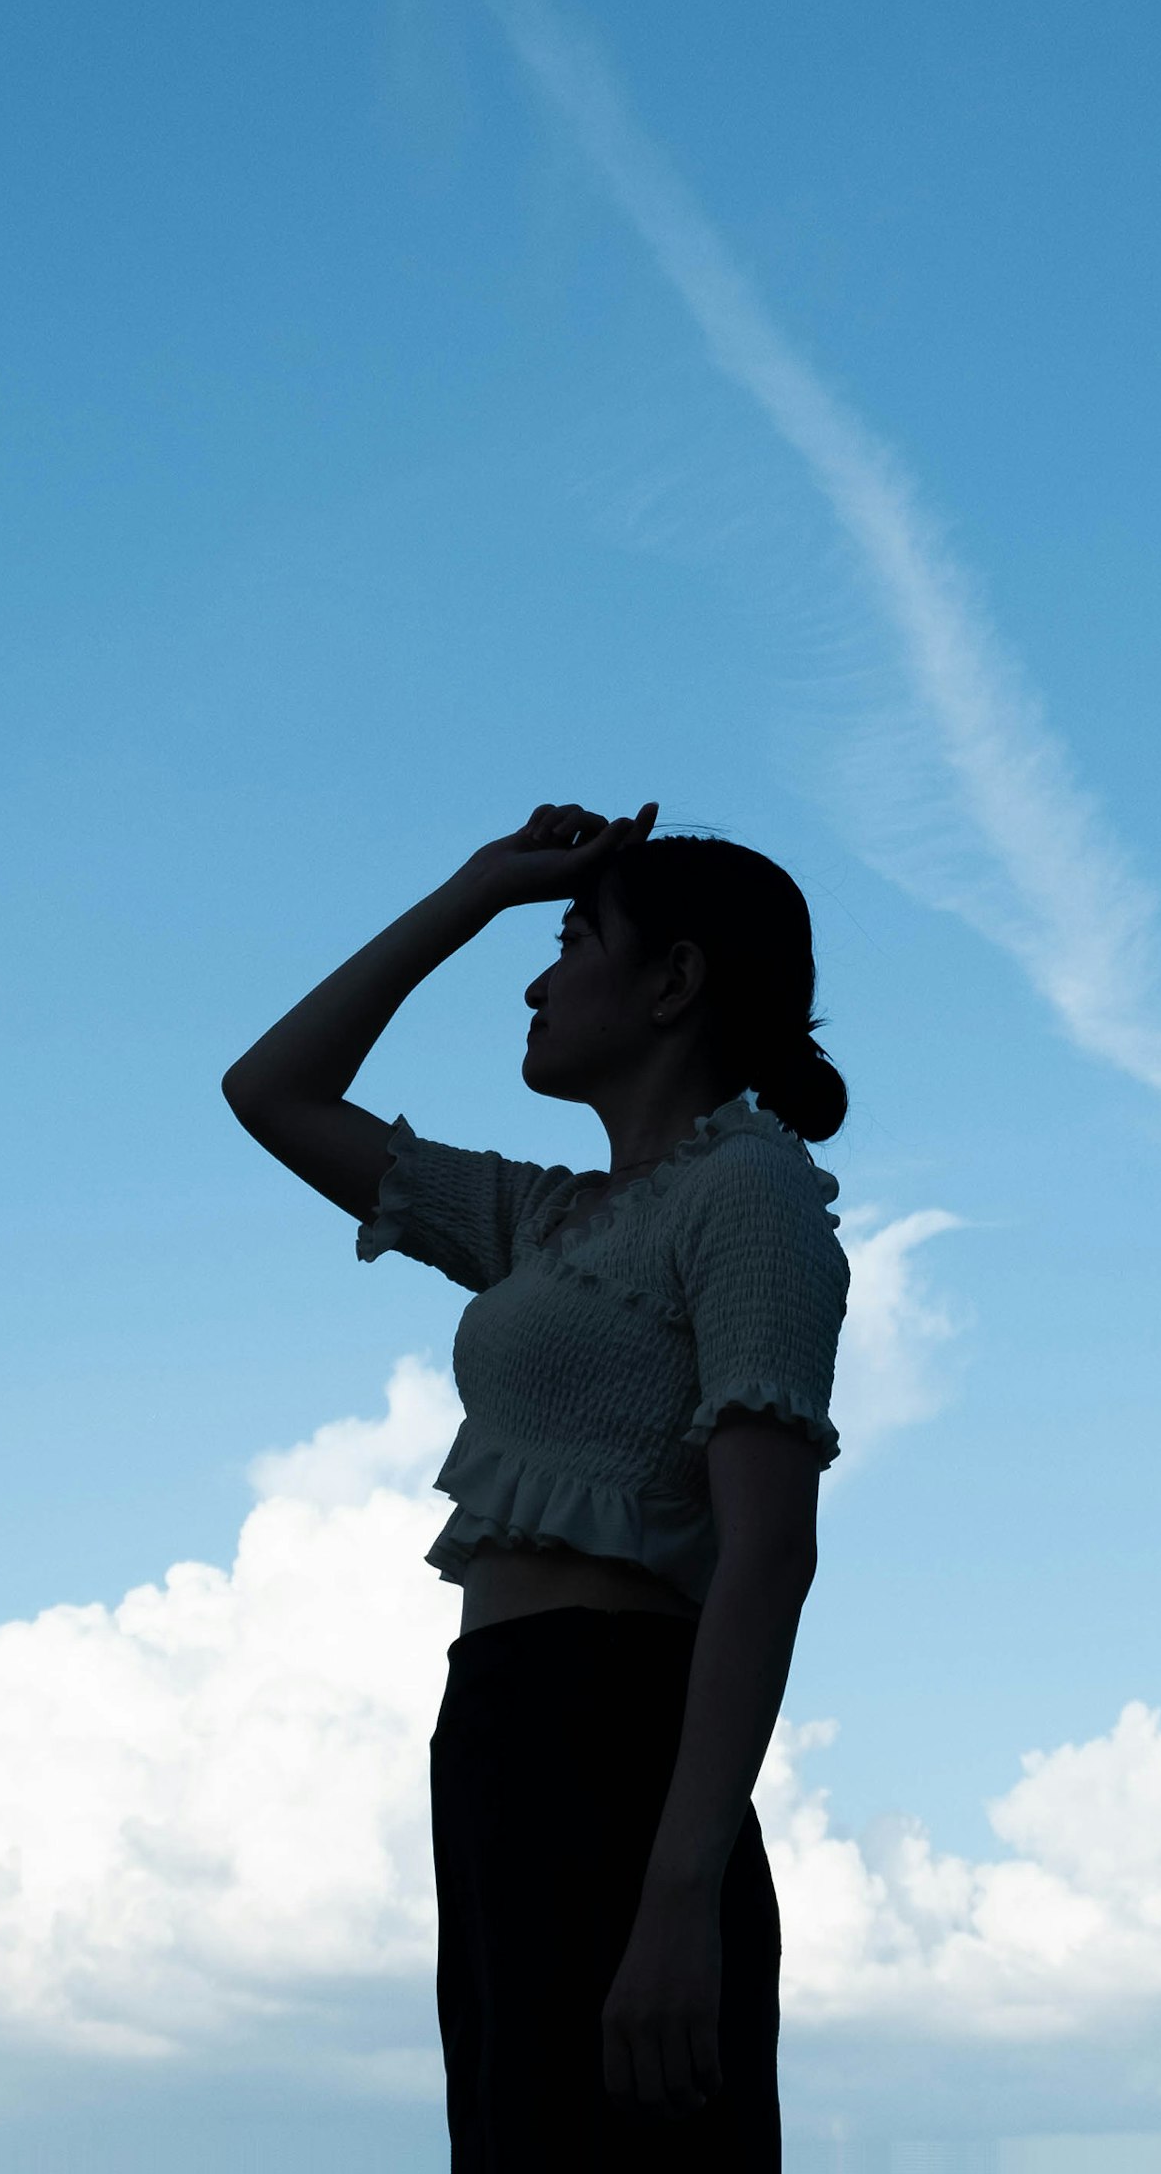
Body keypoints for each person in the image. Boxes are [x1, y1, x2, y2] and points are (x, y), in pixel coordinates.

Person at [223, 801, 851, 2171]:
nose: (537, 975)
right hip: (501, 1733)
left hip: (624, 1734)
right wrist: (480, 889)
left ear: (675, 982)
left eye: (573, 941)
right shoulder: (550, 1220)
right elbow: (270, 1092)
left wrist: (683, 1890)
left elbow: (770, 1555)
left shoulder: (750, 1196)